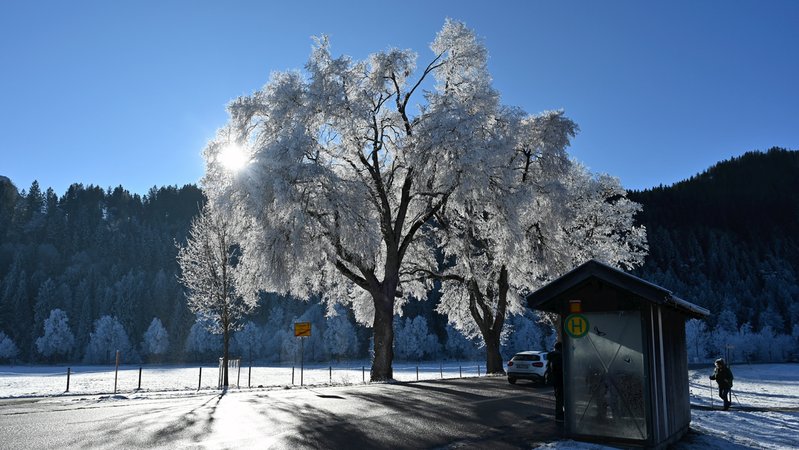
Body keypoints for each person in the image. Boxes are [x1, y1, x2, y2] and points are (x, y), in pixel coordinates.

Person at [548, 341, 564, 422]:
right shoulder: (559, 357)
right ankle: (560, 415)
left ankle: (560, 414)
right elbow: (560, 370)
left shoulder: (552, 356)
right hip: (560, 380)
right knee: (561, 398)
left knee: (559, 398)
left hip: (555, 380)